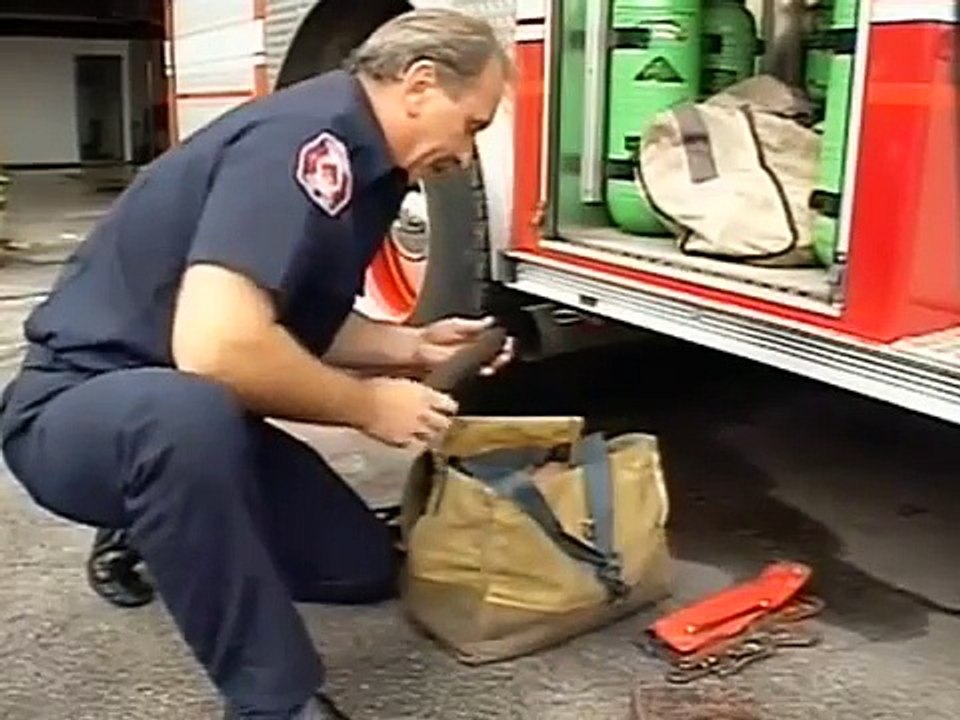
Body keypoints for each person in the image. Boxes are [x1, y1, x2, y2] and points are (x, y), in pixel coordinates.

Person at [0, 9, 512, 720]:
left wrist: (414, 347)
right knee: (186, 414)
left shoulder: (369, 167)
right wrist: (368, 407)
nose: (465, 151)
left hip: (190, 418)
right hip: (77, 408)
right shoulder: (303, 139)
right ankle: (273, 703)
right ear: (420, 85)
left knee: (360, 566)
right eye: (472, 124)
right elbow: (220, 347)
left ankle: (155, 521)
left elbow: (289, 316)